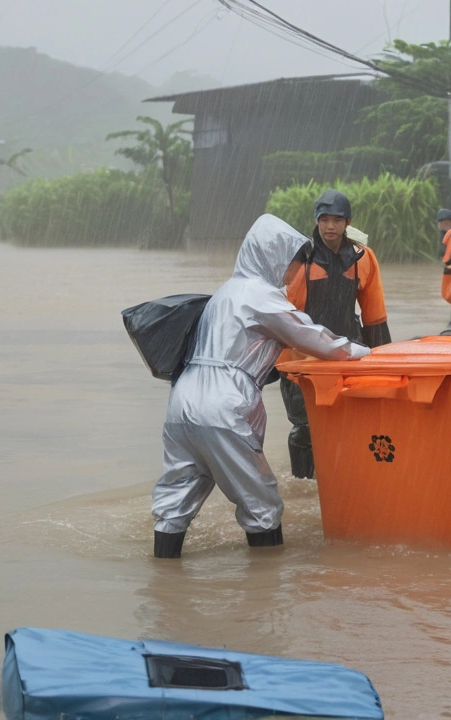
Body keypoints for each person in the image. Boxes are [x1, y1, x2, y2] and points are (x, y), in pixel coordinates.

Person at [151, 214, 371, 558]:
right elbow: (312, 337)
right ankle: (266, 590)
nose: (294, 270)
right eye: (293, 260)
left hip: (181, 401)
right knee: (261, 500)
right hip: (223, 403)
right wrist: (363, 354)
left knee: (177, 495)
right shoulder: (260, 295)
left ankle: (163, 578)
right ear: (274, 256)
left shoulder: (225, 292)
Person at [279, 189, 392, 479]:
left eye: (337, 220)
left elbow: (374, 313)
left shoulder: (363, 258)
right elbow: (281, 317)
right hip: (302, 359)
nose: (330, 226)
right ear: (316, 221)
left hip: (347, 353)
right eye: (324, 219)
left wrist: (385, 362)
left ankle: (342, 480)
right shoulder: (299, 259)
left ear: (348, 222)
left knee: (350, 421)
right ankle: (302, 486)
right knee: (305, 428)